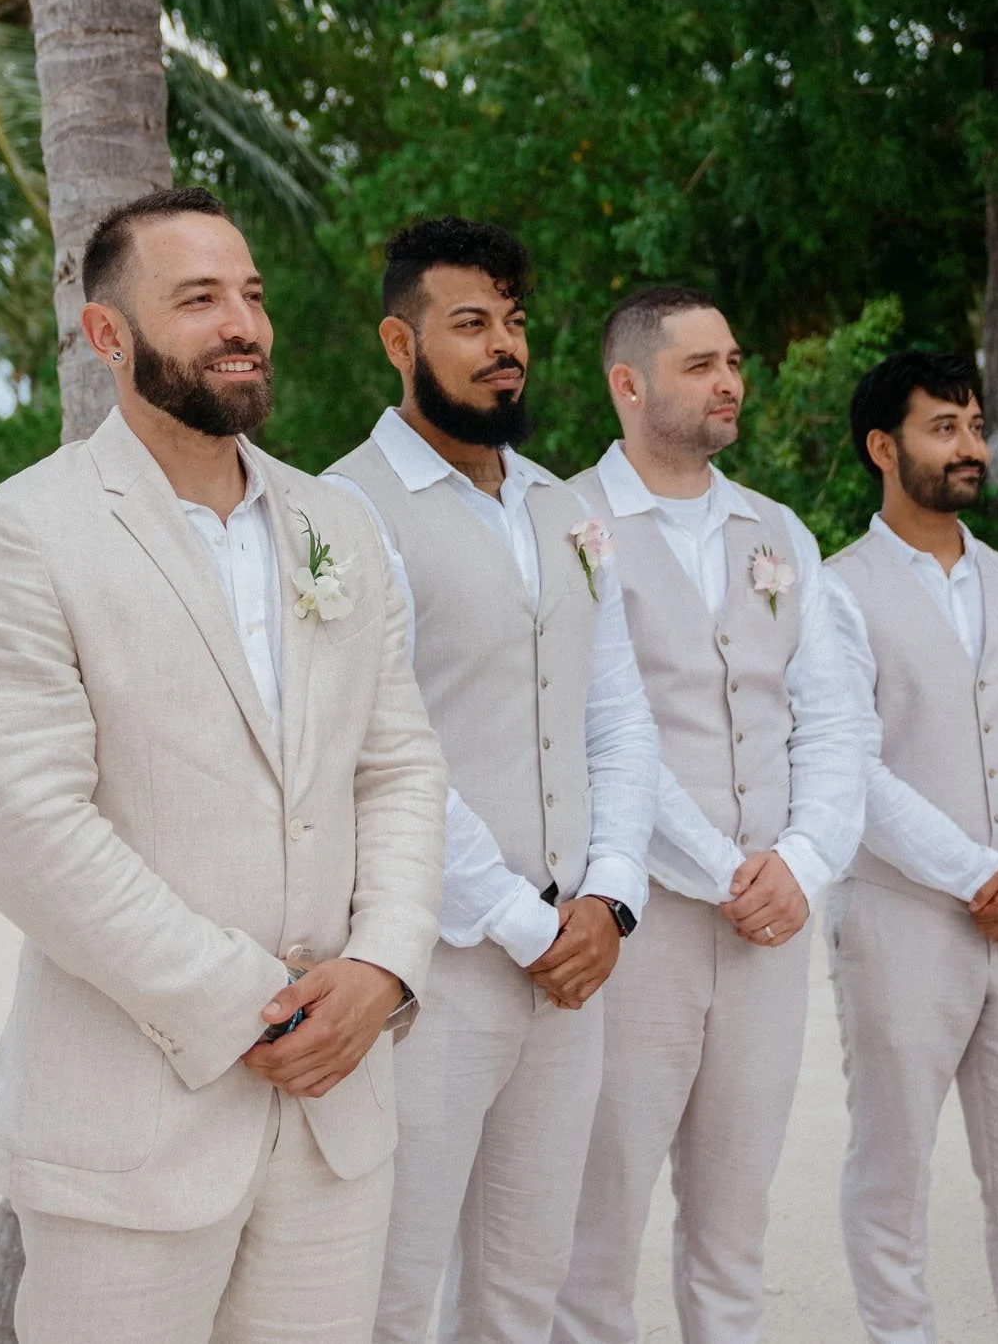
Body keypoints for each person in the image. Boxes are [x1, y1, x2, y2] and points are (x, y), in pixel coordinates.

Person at [0, 187, 448, 1344]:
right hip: (133, 1127)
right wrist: (246, 1005)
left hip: (337, 1115)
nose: (243, 324)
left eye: (251, 295)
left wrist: (381, 967)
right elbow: (25, 829)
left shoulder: (337, 527)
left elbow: (399, 764)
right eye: (200, 297)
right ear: (107, 334)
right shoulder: (22, 534)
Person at [324, 218, 663, 1344]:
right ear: (398, 340)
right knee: (389, 1278)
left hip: (574, 950)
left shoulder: (567, 508)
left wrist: (610, 896)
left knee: (527, 1280)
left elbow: (613, 711)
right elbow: (385, 745)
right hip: (434, 959)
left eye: (513, 320)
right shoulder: (348, 508)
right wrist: (525, 924)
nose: (502, 345)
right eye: (468, 322)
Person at [552, 288, 870, 1344]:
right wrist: (726, 865)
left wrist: (806, 855)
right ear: (628, 383)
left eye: (732, 359)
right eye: (699, 364)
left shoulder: (773, 527)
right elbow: (600, 728)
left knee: (736, 1223)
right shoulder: (566, 524)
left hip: (771, 920)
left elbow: (829, 712)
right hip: (636, 921)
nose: (728, 380)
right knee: (596, 1222)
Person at [817, 352, 998, 1344]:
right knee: (891, 1163)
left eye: (974, 424)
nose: (969, 445)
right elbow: (849, 767)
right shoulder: (833, 590)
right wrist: (984, 875)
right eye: (944, 425)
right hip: (900, 918)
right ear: (883, 446)